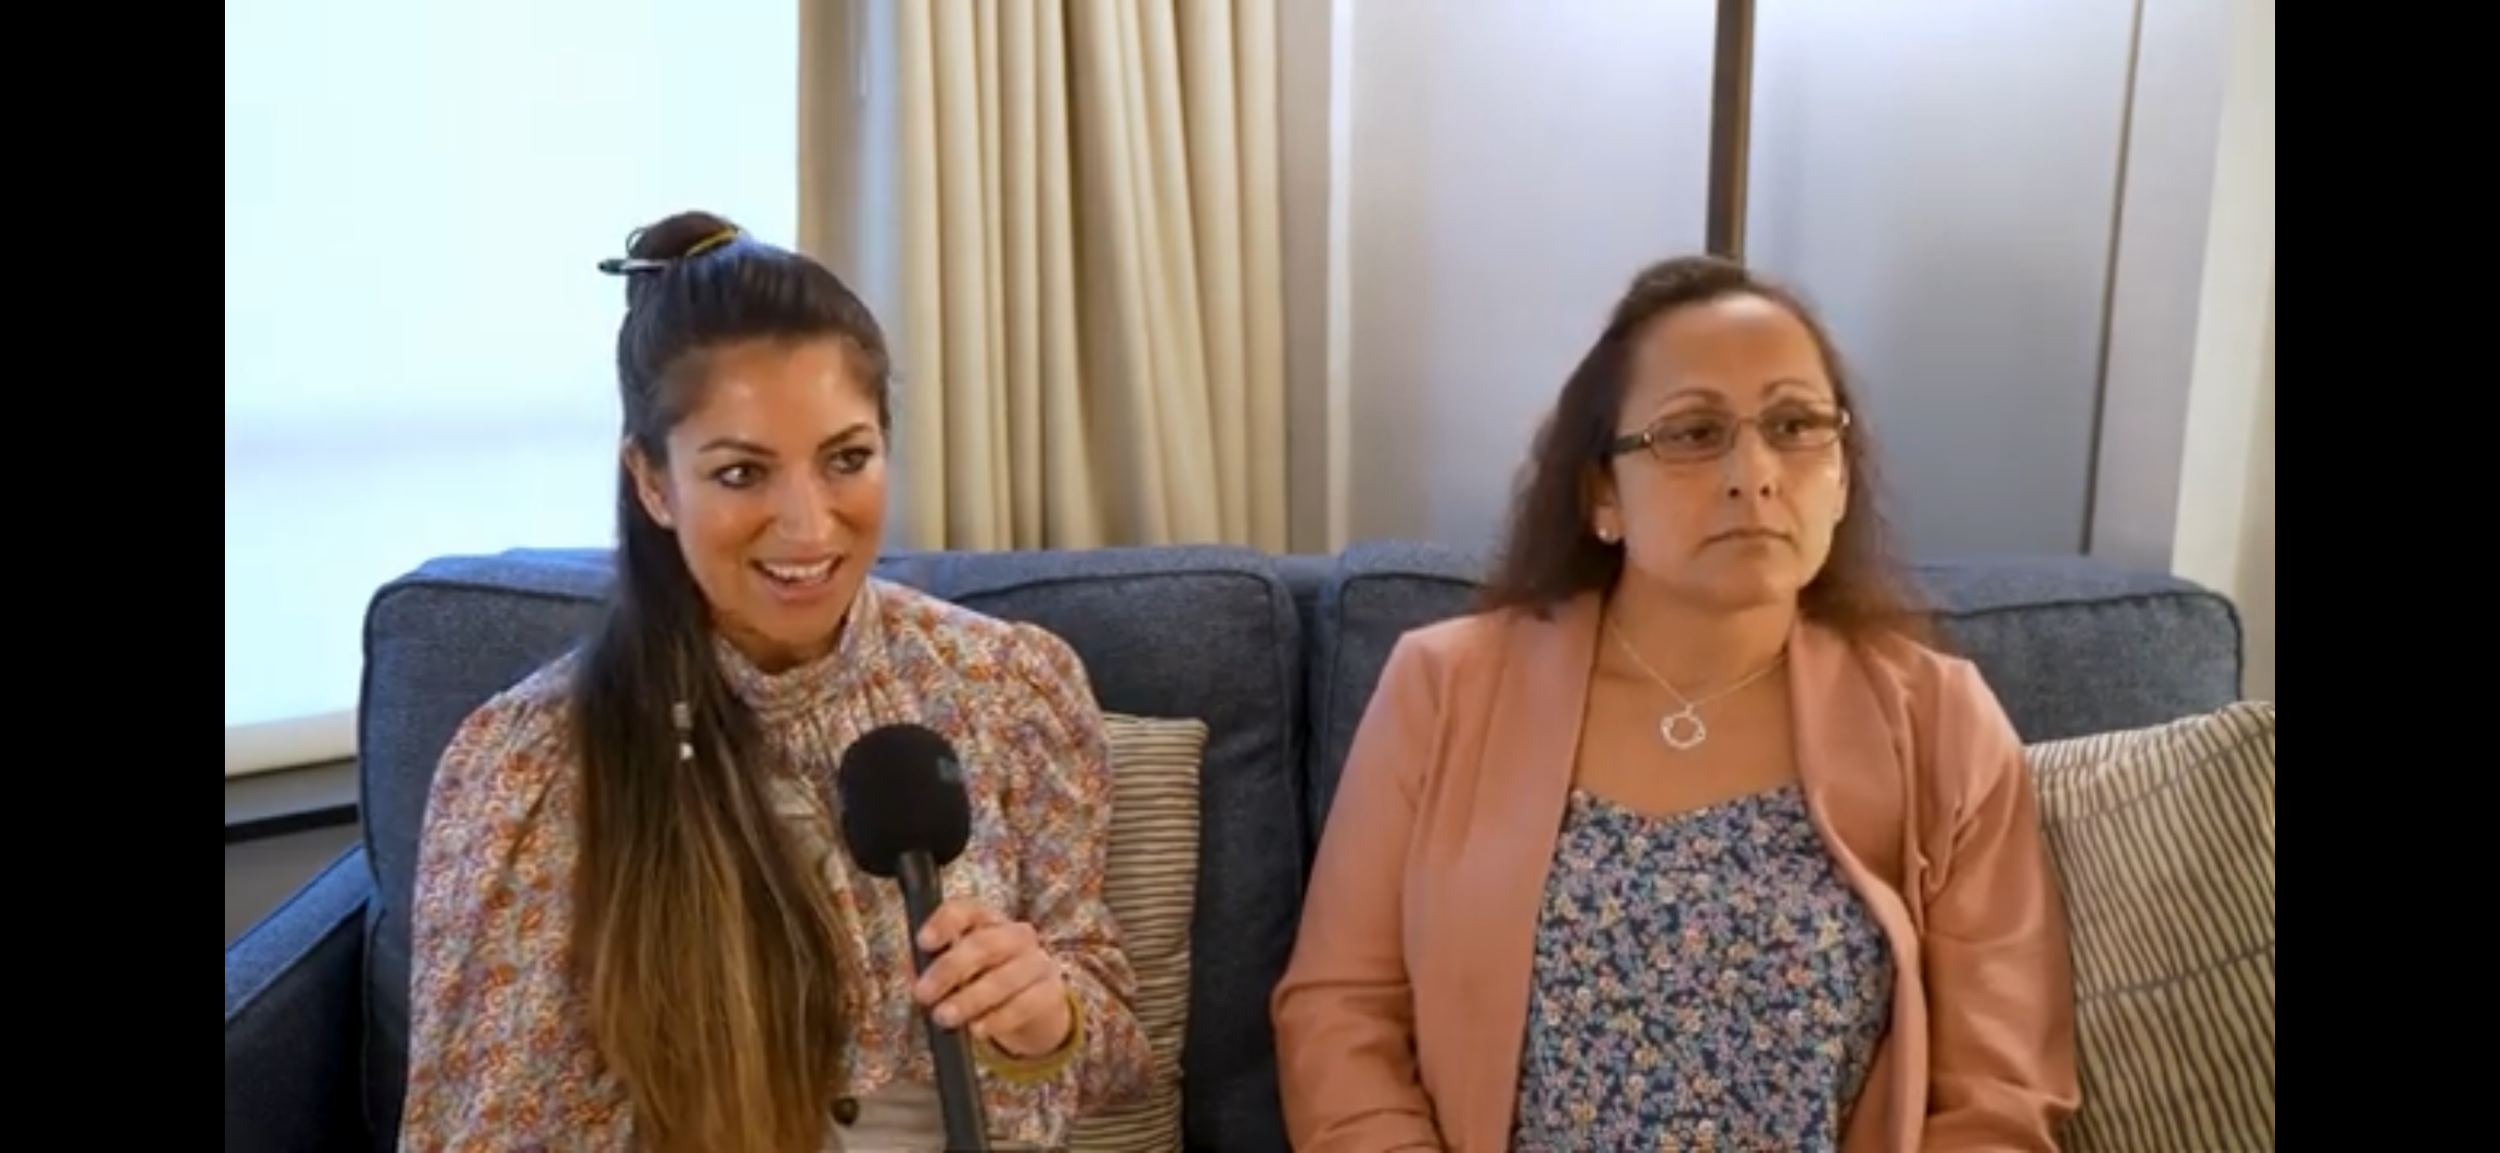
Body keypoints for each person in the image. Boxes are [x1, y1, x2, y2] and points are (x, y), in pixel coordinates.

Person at [1272, 256, 2079, 1152]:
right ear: (1602, 494)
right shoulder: (1445, 686)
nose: (1756, 471)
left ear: (1842, 475)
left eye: (1795, 424)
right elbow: (1340, 1012)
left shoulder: (1942, 721)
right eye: (1693, 433)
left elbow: (2000, 1091)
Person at [397, 212, 1154, 1153]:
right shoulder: (533, 765)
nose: (808, 525)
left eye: (847, 458)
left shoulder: (1010, 685)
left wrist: (1053, 1017)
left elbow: (1118, 1048)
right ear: (655, 483)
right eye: (743, 471)